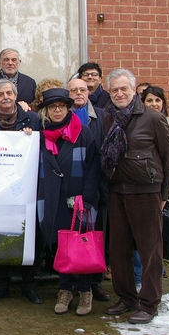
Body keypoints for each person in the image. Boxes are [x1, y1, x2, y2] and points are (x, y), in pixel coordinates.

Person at [101, 69, 169, 325]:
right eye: (114, 90)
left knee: (149, 251)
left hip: (146, 193)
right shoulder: (109, 119)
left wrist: (164, 195)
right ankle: (126, 298)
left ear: (134, 91)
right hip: (117, 192)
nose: (119, 94)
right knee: (119, 249)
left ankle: (149, 303)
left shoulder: (153, 118)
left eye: (124, 89)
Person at [0, 79, 44, 304]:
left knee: (29, 237)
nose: (5, 97)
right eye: (0, 93)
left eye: (9, 93)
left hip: (25, 188)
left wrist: (31, 138)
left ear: (16, 95)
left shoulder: (31, 119)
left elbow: (43, 150)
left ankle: (29, 285)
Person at [37, 88, 101, 316]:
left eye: (61, 106)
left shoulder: (83, 133)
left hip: (79, 199)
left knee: (80, 244)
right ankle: (64, 289)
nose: (57, 110)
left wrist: (87, 196)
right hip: (51, 197)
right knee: (59, 245)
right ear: (46, 110)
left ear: (68, 108)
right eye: (52, 107)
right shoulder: (40, 134)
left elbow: (93, 169)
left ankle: (85, 291)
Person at [132, 85, 169, 289]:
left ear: (163, 104)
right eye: (149, 100)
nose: (154, 104)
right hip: (141, 186)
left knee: (156, 234)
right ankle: (139, 278)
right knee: (140, 236)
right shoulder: (136, 124)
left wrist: (149, 163)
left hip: (163, 187)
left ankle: (153, 274)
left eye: (158, 100)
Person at [67, 77, 111, 301]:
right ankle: (73, 283)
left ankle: (96, 283)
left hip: (97, 187)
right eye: (73, 90)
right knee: (73, 235)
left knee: (94, 236)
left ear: (89, 92)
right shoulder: (63, 118)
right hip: (71, 185)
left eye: (82, 90)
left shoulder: (102, 116)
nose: (78, 94)